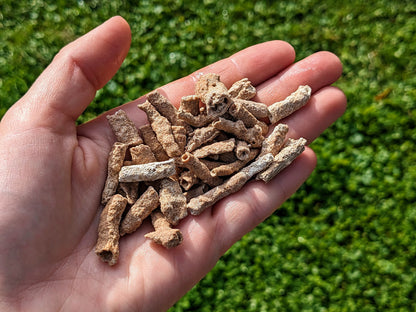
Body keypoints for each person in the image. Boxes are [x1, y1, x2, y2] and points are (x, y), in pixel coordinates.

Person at [0, 16, 346, 311]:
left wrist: (227, 143)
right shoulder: (137, 169)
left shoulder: (226, 122)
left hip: (215, 160)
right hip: (174, 174)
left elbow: (219, 146)